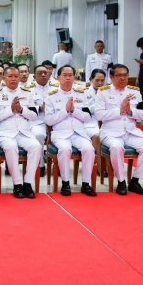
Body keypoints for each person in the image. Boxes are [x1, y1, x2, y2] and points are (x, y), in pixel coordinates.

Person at [94, 64, 143, 195]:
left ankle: (135, 181)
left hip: (131, 132)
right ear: (111, 77)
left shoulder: (135, 92)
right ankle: (121, 181)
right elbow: (98, 115)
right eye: (119, 75)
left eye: (125, 75)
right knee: (116, 147)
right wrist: (119, 111)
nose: (123, 78)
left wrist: (131, 111)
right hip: (110, 133)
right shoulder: (103, 92)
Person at [44, 65, 97, 197]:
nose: (68, 78)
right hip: (60, 134)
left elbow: (87, 117)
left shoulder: (82, 94)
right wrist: (65, 110)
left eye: (70, 75)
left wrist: (73, 110)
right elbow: (49, 121)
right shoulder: (51, 97)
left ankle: (86, 184)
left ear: (75, 77)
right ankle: (65, 183)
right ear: (58, 78)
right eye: (65, 75)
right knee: (65, 149)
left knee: (89, 149)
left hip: (79, 133)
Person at [0, 66, 41, 199]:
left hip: (24, 133)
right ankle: (17, 184)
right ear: (3, 78)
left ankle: (28, 183)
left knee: (36, 146)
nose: (13, 79)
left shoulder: (28, 93)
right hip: (5, 134)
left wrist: (22, 109)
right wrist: (10, 110)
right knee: (11, 147)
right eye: (10, 76)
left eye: (16, 76)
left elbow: (34, 116)